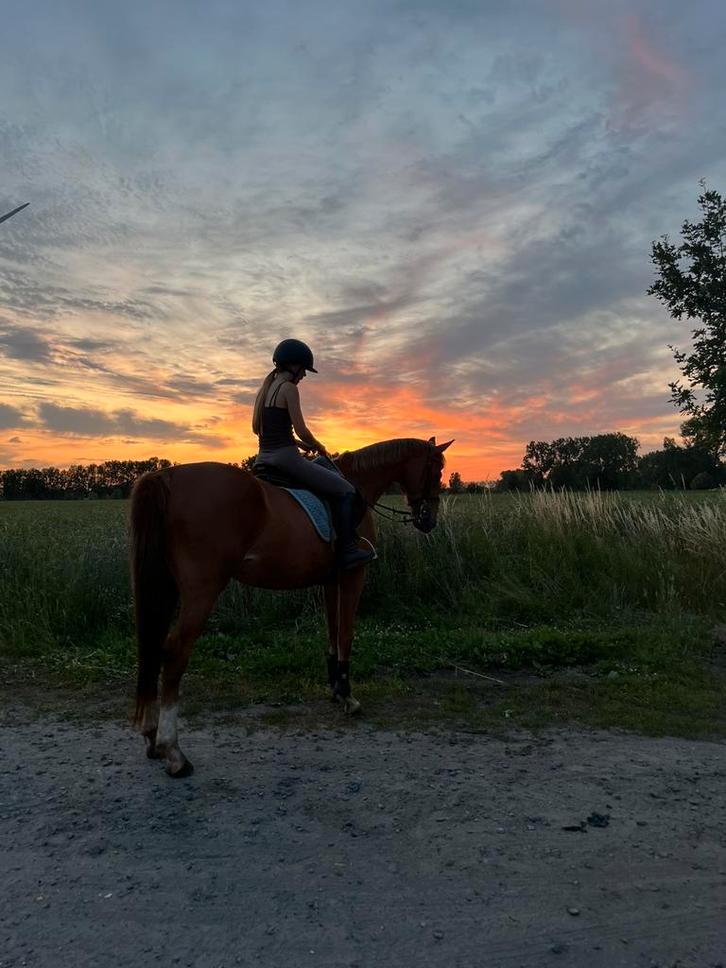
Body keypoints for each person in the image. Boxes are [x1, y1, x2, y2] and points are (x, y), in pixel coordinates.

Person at [252, 338, 376, 570]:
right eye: (303, 370)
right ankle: (347, 551)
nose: (304, 376)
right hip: (286, 460)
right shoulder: (288, 389)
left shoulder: (267, 389)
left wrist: (299, 444)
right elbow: (301, 429)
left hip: (264, 459)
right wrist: (318, 444)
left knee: (321, 466)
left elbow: (267, 431)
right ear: (293, 365)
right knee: (346, 490)